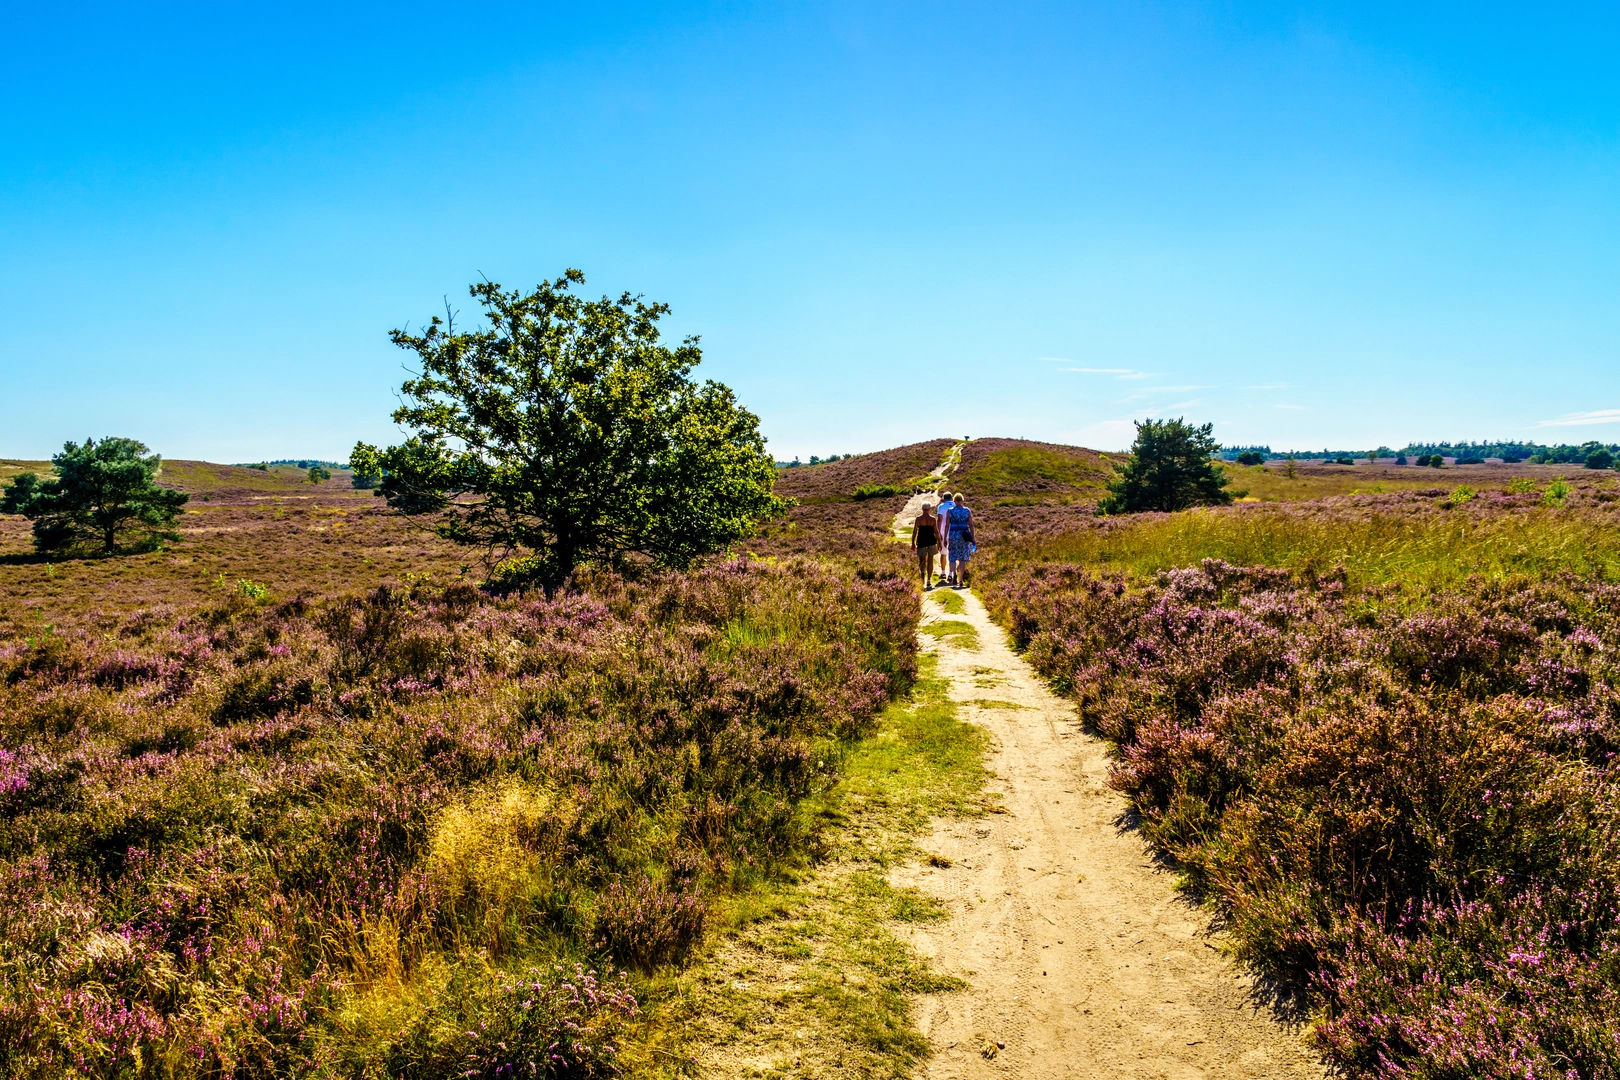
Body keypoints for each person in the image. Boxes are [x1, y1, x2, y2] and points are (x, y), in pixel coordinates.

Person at [946, 492, 974, 587]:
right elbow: (971, 525)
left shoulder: (950, 511)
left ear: (954, 501)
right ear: (962, 500)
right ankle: (961, 579)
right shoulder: (967, 511)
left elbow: (947, 525)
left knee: (952, 557)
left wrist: (945, 537)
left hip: (953, 535)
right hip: (964, 536)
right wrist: (972, 537)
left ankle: (954, 573)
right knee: (962, 559)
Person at [910, 502, 939, 589]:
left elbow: (915, 531)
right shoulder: (932, 519)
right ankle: (929, 580)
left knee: (922, 561)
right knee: (930, 560)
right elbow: (936, 531)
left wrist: (913, 543)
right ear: (929, 509)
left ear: (922, 509)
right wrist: (940, 542)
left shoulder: (918, 519)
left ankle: (922, 575)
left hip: (921, 541)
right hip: (931, 541)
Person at [933, 488, 956, 582]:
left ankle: (943, 573)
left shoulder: (941, 506)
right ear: (952, 498)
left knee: (943, 553)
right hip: (954, 533)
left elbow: (939, 520)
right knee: (952, 554)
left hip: (943, 532)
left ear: (944, 498)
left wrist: (938, 532)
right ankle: (950, 574)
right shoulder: (956, 505)